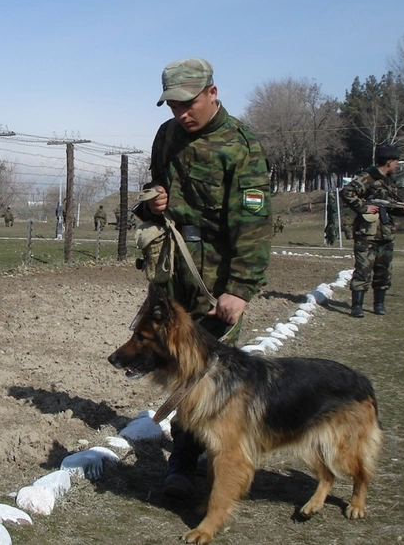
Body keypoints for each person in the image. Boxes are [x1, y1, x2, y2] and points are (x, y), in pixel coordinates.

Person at [139, 57, 272, 499]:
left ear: (212, 93)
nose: (181, 113)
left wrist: (240, 289)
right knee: (176, 364)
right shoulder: (166, 136)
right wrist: (152, 203)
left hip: (215, 280)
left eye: (188, 103)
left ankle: (185, 463)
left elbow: (254, 224)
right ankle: (187, 458)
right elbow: (154, 190)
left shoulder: (241, 145)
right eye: (173, 105)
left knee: (205, 374)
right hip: (172, 270)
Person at [340, 143, 404, 317]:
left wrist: (402, 209)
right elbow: (347, 192)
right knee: (363, 270)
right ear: (389, 162)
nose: (397, 166)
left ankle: (379, 304)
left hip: (386, 233)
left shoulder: (389, 181)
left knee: (383, 271)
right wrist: (364, 208)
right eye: (396, 162)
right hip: (367, 233)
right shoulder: (368, 178)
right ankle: (357, 305)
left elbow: (389, 206)